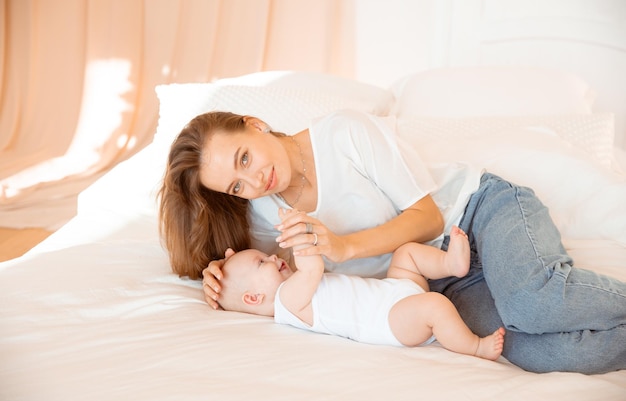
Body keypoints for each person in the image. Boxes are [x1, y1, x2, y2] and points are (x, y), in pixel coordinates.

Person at [158, 110, 626, 374]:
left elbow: (426, 217)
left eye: (244, 157)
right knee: (539, 351)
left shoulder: (344, 134)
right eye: (236, 186)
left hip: (477, 213)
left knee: (532, 305)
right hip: (435, 287)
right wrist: (214, 277)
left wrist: (345, 248)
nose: (255, 180)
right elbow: (251, 277)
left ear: (254, 124)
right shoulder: (263, 216)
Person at [219, 208, 506, 361]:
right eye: (261, 262)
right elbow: (312, 266)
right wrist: (297, 231)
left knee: (405, 252)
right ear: (253, 298)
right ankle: (476, 348)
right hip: (389, 321)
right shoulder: (286, 303)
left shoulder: (291, 288)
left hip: (392, 292)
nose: (271, 256)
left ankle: (450, 265)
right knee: (435, 306)